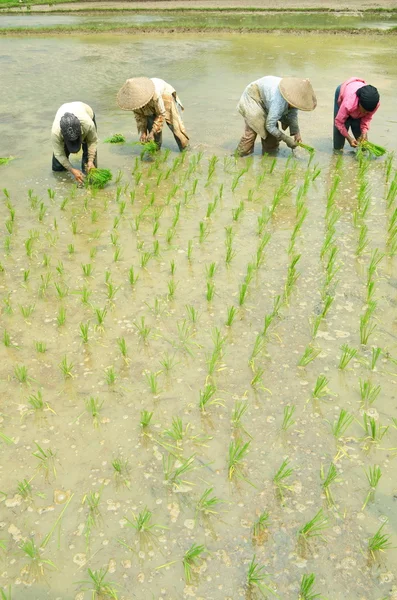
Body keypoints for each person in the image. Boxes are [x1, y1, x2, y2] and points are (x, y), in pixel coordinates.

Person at [235, 76, 317, 156]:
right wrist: (286, 139)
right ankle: (239, 158)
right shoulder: (279, 102)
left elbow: (293, 115)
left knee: (271, 140)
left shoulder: (294, 98)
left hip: (266, 98)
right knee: (251, 132)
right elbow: (269, 125)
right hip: (253, 96)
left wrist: (297, 134)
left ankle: (268, 158)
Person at [117, 77, 189, 152]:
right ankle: (156, 151)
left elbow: (161, 114)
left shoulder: (155, 94)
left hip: (164, 94)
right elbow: (139, 117)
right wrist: (143, 132)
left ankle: (185, 150)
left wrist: (152, 132)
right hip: (150, 99)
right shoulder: (133, 101)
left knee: (174, 125)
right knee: (152, 131)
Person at [51, 102, 98, 184]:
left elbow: (92, 141)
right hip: (64, 111)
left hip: (85, 110)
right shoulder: (56, 132)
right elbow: (59, 154)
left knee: (89, 168)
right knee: (58, 167)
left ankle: (88, 181)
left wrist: (90, 161)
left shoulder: (88, 124)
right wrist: (72, 170)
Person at [333, 77, 380, 150]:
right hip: (344, 92)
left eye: (368, 112)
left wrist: (364, 132)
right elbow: (338, 122)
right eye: (364, 111)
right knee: (338, 146)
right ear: (359, 103)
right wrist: (349, 138)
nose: (365, 113)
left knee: (363, 145)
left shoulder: (374, 104)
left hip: (360, 97)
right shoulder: (348, 104)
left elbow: (367, 118)